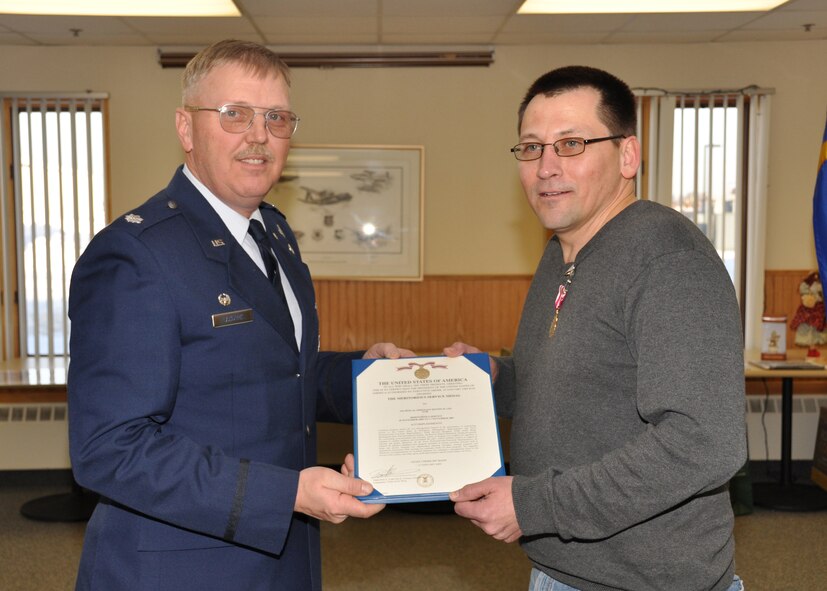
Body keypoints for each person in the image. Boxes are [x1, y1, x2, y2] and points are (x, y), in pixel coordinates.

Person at [68, 39, 412, 591]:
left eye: (277, 117)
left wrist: (368, 379)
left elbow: (274, 371)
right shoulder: (135, 254)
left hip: (281, 558)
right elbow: (110, 448)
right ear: (186, 128)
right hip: (179, 568)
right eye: (236, 115)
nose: (259, 135)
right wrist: (289, 495)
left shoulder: (272, 233)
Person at [446, 66, 746, 591]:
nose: (546, 167)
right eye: (532, 148)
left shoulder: (667, 258)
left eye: (572, 144)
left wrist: (538, 505)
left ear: (628, 155)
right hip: (565, 569)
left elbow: (705, 441)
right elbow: (587, 384)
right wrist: (495, 378)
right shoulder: (560, 253)